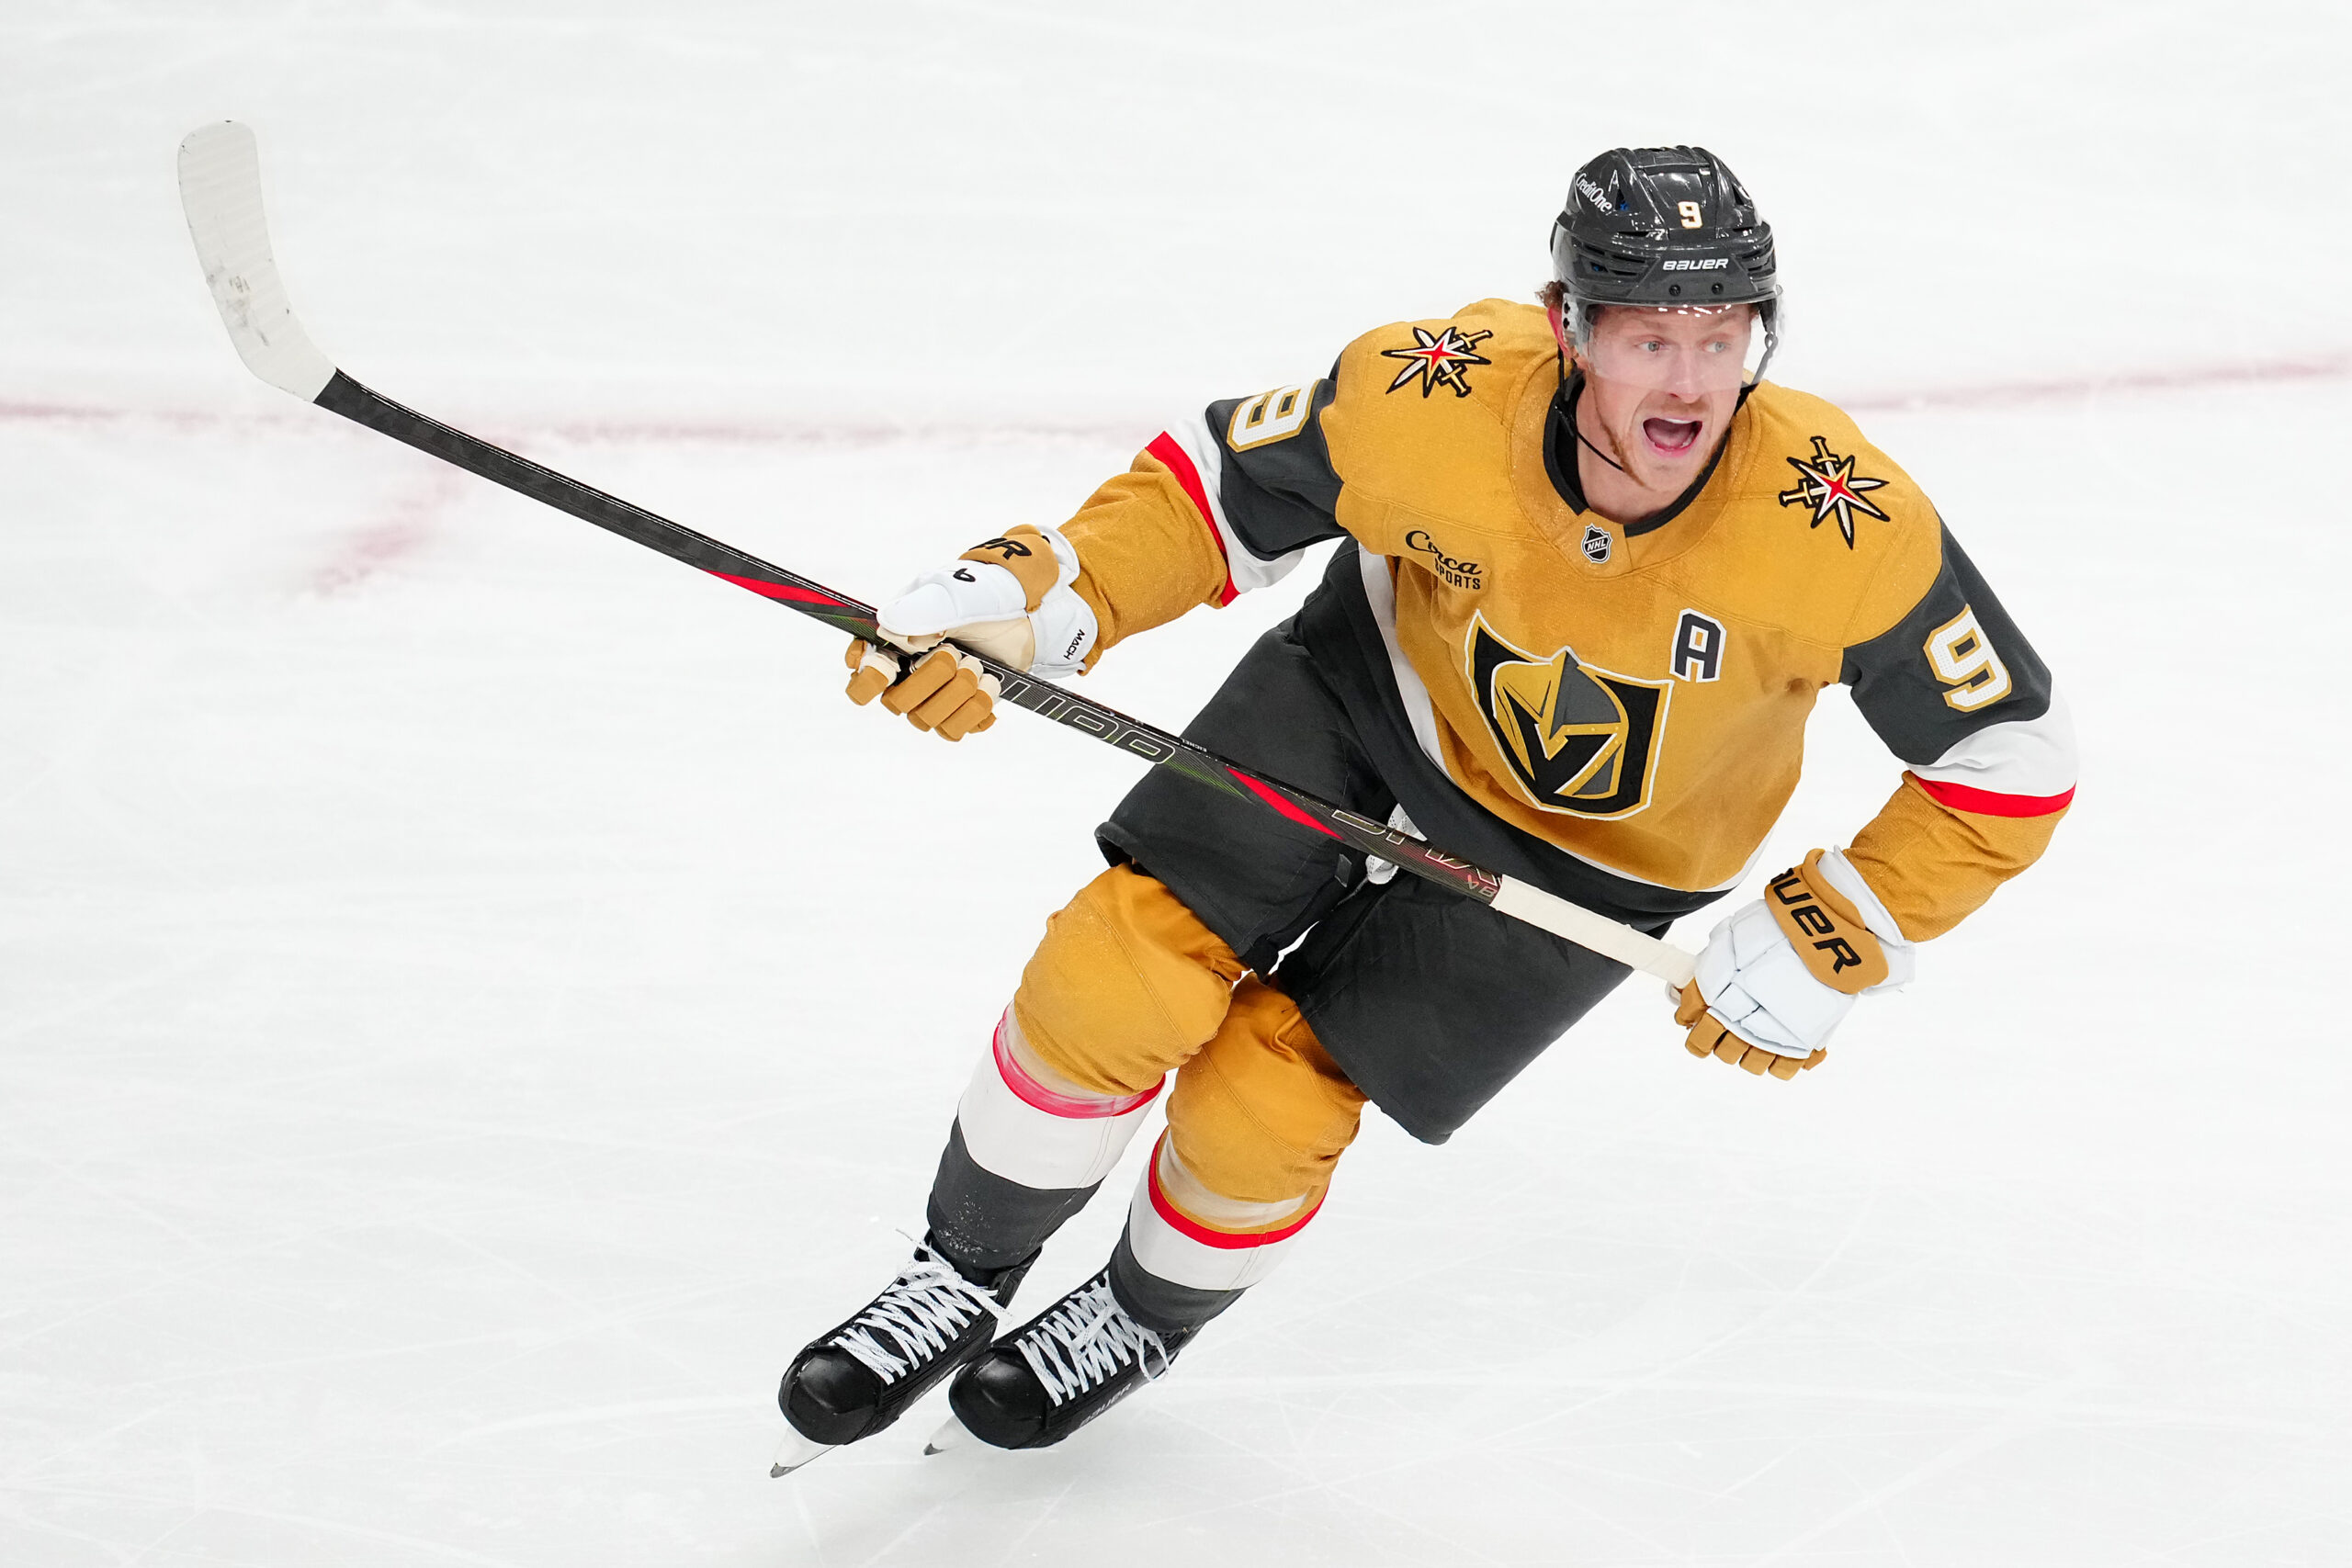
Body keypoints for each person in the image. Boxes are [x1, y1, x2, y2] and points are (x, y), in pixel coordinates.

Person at [770, 145, 2075, 1472]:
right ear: (1569, 327)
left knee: (1265, 1110)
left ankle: (1136, 1314)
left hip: (1597, 860)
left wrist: (1842, 923)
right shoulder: (1438, 388)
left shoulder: (1837, 518)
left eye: (1722, 336)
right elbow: (1224, 488)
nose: (1690, 382)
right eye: (1649, 338)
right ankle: (957, 1272)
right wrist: (1052, 592)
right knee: (1117, 976)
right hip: (1368, 701)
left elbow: (2011, 754)